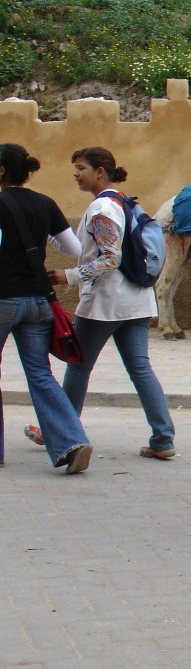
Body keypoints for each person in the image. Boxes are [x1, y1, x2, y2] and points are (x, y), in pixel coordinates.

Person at [27, 147, 175, 461]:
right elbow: (87, 248)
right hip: (137, 300)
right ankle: (163, 439)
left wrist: (67, 276)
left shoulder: (103, 208)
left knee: (78, 366)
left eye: (81, 168)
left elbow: (110, 258)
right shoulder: (125, 203)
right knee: (141, 369)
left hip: (107, 303)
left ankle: (61, 432)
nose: (76, 174)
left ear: (100, 171)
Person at [0, 144, 93, 473]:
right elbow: (75, 248)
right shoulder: (45, 203)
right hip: (39, 301)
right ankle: (72, 440)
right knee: (41, 375)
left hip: (3, 298)